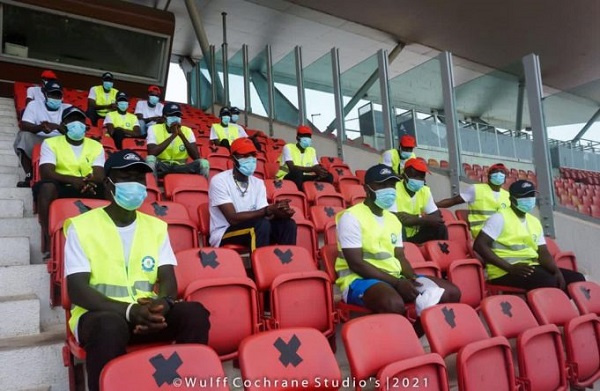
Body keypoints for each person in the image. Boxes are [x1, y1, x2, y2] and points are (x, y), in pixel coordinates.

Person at [64, 149, 211, 391]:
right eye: (126, 177)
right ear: (108, 183)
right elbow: (78, 290)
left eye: (139, 179)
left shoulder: (156, 227)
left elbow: (168, 281)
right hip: (100, 315)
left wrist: (162, 304)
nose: (134, 184)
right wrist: (130, 311)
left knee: (195, 313)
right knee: (109, 325)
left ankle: (189, 384)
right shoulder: (81, 227)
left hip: (146, 313)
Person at [335, 164, 460, 328]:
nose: (390, 190)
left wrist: (412, 278)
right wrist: (397, 283)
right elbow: (356, 263)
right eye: (382, 185)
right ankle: (402, 340)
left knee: (451, 292)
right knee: (393, 303)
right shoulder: (351, 217)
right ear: (367, 189)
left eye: (392, 185)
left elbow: (400, 256)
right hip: (358, 279)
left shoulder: (393, 220)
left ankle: (413, 335)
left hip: (393, 276)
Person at [473, 180, 585, 291]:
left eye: (531, 195)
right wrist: (510, 268)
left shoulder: (534, 221)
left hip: (531, 266)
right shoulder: (499, 218)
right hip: (503, 271)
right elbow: (479, 245)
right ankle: (544, 307)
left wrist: (556, 270)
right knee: (548, 281)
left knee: (577, 279)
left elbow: (543, 252)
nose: (529, 199)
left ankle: (559, 307)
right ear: (512, 199)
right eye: (524, 196)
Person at [35, 106, 105, 255]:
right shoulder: (51, 143)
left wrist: (88, 181)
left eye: (80, 119)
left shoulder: (96, 146)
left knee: (113, 187)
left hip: (89, 185)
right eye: (71, 120)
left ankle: (110, 236)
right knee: (46, 187)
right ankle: (49, 239)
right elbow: (46, 172)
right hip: (61, 185)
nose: (77, 123)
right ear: (64, 124)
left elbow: (99, 173)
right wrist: (72, 180)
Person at [209, 138, 297, 250]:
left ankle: (286, 266)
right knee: (260, 225)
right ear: (233, 158)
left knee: (288, 224)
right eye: (244, 156)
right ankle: (261, 266)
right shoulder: (219, 181)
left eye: (252, 155)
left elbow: (264, 214)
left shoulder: (258, 183)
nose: (250, 159)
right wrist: (267, 210)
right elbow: (232, 218)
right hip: (224, 231)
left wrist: (279, 212)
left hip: (255, 226)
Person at [14, 80, 71, 187]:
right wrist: (40, 127)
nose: (55, 97)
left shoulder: (68, 108)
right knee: (22, 136)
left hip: (59, 141)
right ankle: (29, 176)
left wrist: (58, 127)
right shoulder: (34, 105)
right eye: (52, 94)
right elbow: (24, 125)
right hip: (39, 137)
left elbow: (73, 132)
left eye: (58, 94)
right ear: (45, 94)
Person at [436, 163, 510, 238]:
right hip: (482, 232)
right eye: (495, 172)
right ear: (488, 175)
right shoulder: (476, 189)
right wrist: (433, 206)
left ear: (505, 178)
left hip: (502, 232)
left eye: (502, 172)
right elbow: (453, 201)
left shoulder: (507, 195)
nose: (498, 174)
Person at [390, 158, 448, 244]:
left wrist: (417, 218)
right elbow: (397, 219)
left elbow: (437, 218)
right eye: (416, 176)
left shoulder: (425, 190)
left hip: (416, 233)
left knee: (440, 227)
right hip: (397, 235)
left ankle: (442, 254)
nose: (419, 180)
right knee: (398, 225)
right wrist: (423, 218)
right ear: (405, 175)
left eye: (422, 177)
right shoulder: (393, 189)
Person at [146, 102, 209, 178]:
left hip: (181, 167)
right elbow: (152, 152)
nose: (175, 118)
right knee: (150, 159)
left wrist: (181, 135)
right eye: (172, 115)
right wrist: (173, 135)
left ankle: (202, 188)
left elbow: (196, 156)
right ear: (164, 117)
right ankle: (152, 188)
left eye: (178, 115)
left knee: (204, 163)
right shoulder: (153, 128)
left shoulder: (187, 131)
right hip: (162, 165)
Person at [275, 125, 334, 191]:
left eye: (309, 136)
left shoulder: (312, 150)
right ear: (297, 138)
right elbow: (292, 168)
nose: (307, 138)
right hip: (287, 177)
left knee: (328, 176)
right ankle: (300, 195)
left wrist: (321, 171)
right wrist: (312, 169)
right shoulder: (288, 147)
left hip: (304, 177)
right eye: (304, 136)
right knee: (297, 173)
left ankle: (321, 195)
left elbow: (316, 167)